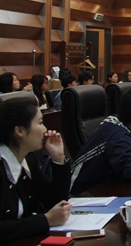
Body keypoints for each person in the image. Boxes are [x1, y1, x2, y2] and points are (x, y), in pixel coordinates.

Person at [0, 95, 72, 242]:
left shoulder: (28, 159)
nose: (45, 129)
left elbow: (54, 202)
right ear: (20, 130)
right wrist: (45, 220)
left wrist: (58, 158)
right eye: (40, 123)